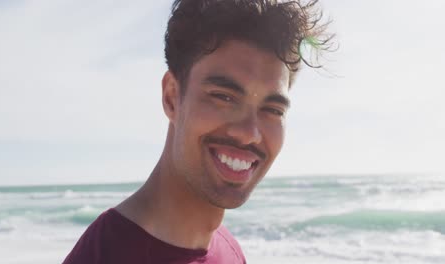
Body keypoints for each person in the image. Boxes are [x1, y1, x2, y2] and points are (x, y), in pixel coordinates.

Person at [63, 0, 332, 263]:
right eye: (224, 97)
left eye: (272, 110)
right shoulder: (103, 255)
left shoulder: (229, 251)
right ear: (171, 97)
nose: (249, 133)